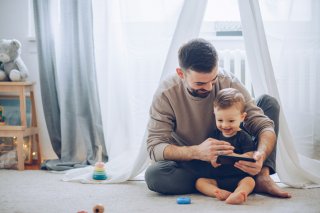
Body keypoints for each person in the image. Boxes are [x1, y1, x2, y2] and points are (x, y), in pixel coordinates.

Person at [145, 38, 291, 198]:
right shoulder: (166, 94)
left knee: (268, 103)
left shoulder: (228, 81)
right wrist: (196, 152)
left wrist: (260, 155)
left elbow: (263, 125)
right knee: (155, 176)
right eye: (200, 84)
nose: (208, 87)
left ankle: (261, 176)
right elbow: (155, 146)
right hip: (196, 163)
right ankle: (227, 181)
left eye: (213, 80)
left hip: (235, 158)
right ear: (181, 74)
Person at [195, 88, 256, 204]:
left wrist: (234, 156)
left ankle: (240, 192)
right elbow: (208, 154)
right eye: (220, 120)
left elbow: (250, 156)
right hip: (218, 178)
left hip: (239, 177)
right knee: (200, 182)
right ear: (214, 115)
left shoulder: (243, 137)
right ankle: (217, 192)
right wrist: (212, 160)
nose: (225, 125)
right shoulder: (214, 135)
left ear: (242, 117)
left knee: (249, 181)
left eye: (231, 121)